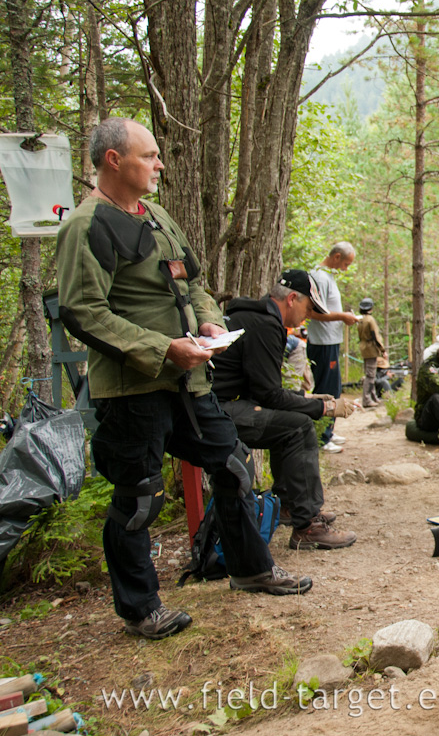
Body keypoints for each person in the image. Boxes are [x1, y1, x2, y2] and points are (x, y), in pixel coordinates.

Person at [57, 117, 311, 641]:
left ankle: (250, 570)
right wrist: (161, 348)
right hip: (133, 390)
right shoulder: (87, 226)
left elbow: (192, 284)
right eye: (149, 155)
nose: (159, 164)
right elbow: (83, 312)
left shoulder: (157, 216)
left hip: (189, 385)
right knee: (139, 498)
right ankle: (140, 609)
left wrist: (207, 321)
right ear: (114, 160)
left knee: (235, 467)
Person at [211, 270, 358, 550]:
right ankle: (308, 526)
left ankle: (289, 505)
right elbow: (269, 396)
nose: (308, 315)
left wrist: (308, 397)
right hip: (216, 412)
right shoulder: (266, 324)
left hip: (221, 404)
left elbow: (263, 390)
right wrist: (324, 406)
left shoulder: (252, 317)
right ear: (292, 299)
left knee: (288, 423)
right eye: (308, 308)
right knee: (297, 426)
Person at [306, 242, 358, 453]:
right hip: (322, 342)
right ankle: (321, 437)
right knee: (326, 389)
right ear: (336, 257)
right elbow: (312, 312)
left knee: (334, 387)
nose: (346, 268)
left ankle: (327, 431)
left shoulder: (328, 276)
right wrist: (343, 316)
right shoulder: (318, 277)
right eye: (345, 263)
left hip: (331, 340)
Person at [356, 298, 385, 408]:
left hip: (364, 348)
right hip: (371, 349)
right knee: (370, 375)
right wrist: (382, 350)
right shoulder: (370, 320)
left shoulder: (361, 320)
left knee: (370, 374)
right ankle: (367, 399)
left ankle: (373, 397)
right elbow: (375, 336)